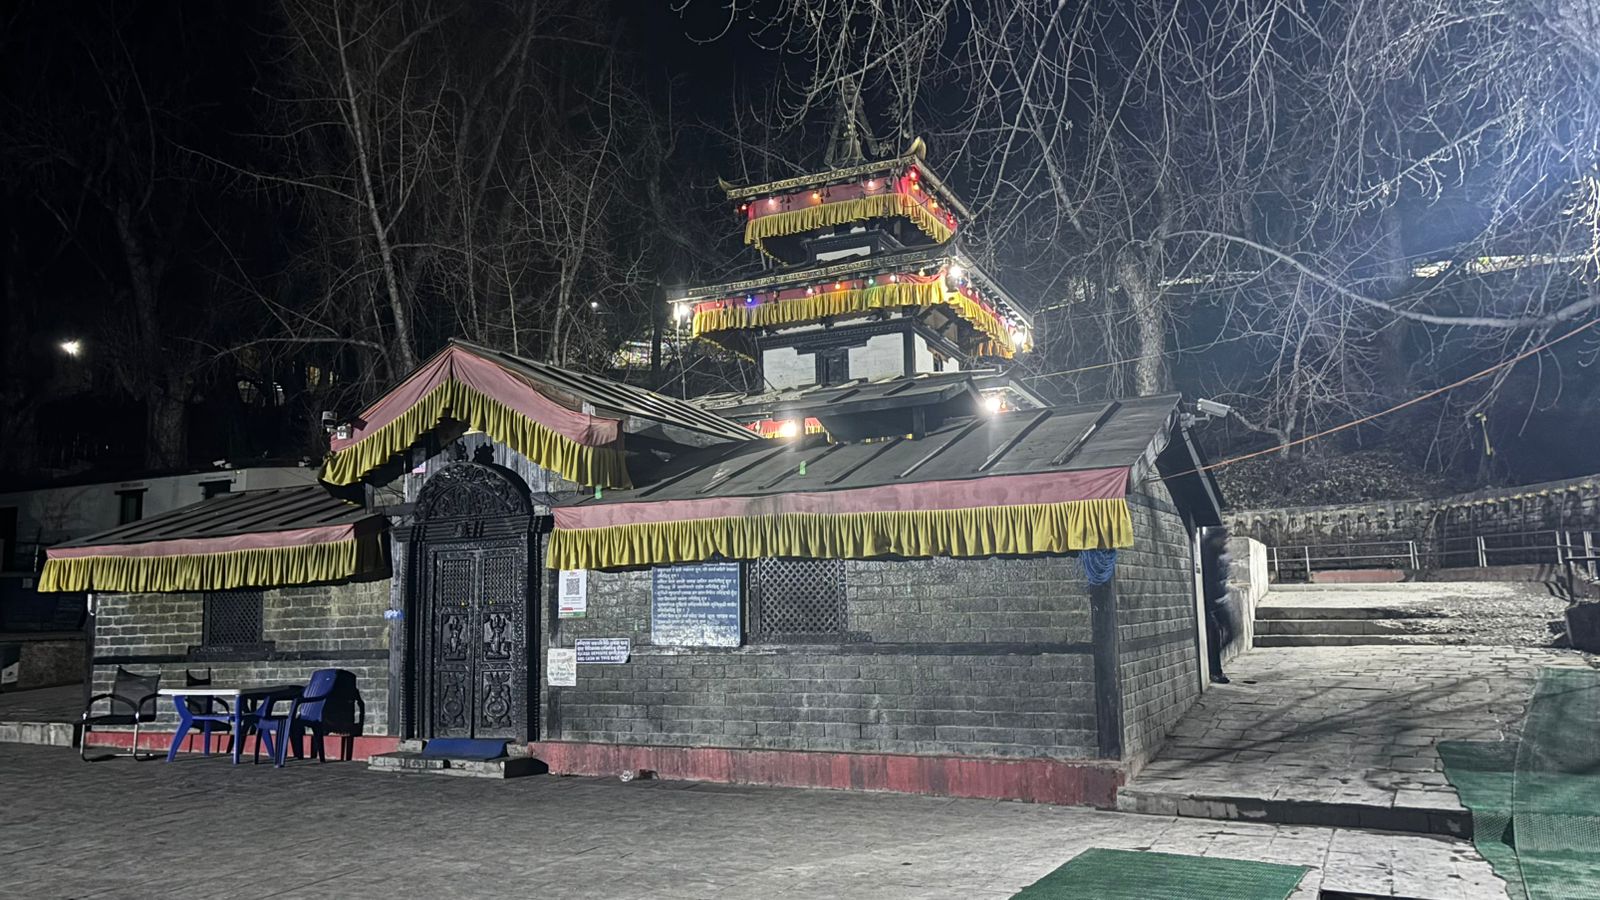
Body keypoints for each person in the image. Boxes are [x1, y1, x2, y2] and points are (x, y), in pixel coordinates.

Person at [1200, 527, 1235, 684]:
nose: (1225, 541)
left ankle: (1212, 660)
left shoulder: (1222, 553)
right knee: (1213, 635)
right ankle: (1215, 670)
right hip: (1208, 601)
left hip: (1221, 599)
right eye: (1222, 537)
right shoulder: (1205, 553)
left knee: (1232, 632)